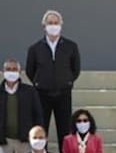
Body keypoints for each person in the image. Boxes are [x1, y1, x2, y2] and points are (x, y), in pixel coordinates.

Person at [25, 9, 81, 138]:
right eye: (50, 23)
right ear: (44, 26)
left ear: (61, 25)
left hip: (64, 93)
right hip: (42, 94)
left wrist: (67, 81)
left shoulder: (71, 46)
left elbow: (75, 69)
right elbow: (30, 70)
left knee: (65, 130)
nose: (53, 25)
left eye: (56, 23)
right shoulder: (35, 48)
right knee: (41, 128)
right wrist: (40, 82)